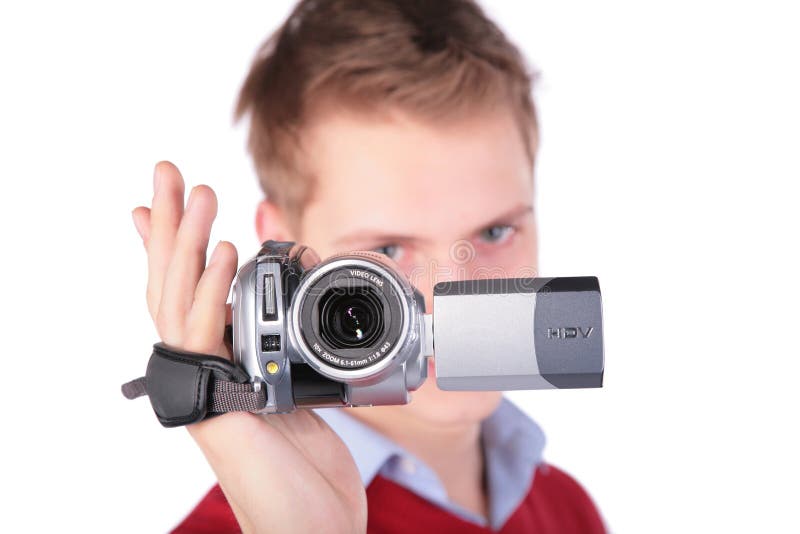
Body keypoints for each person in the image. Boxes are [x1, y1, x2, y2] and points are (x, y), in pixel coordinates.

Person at [130, 0, 606, 532]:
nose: (452, 290)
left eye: (495, 231)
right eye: (386, 251)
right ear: (284, 250)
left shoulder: (568, 509)